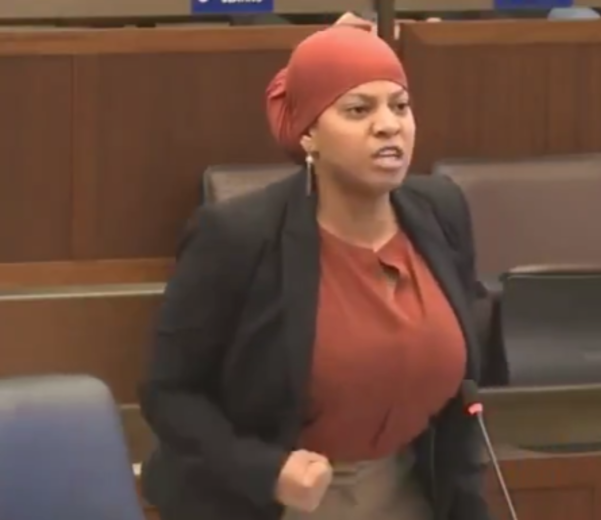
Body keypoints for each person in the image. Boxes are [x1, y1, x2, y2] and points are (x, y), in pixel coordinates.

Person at [138, 25, 493, 520]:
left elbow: (463, 393)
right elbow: (169, 393)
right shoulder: (238, 236)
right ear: (309, 134)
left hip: (412, 489)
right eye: (358, 110)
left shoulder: (441, 210)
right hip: (277, 502)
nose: (388, 126)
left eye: (400, 106)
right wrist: (267, 471)